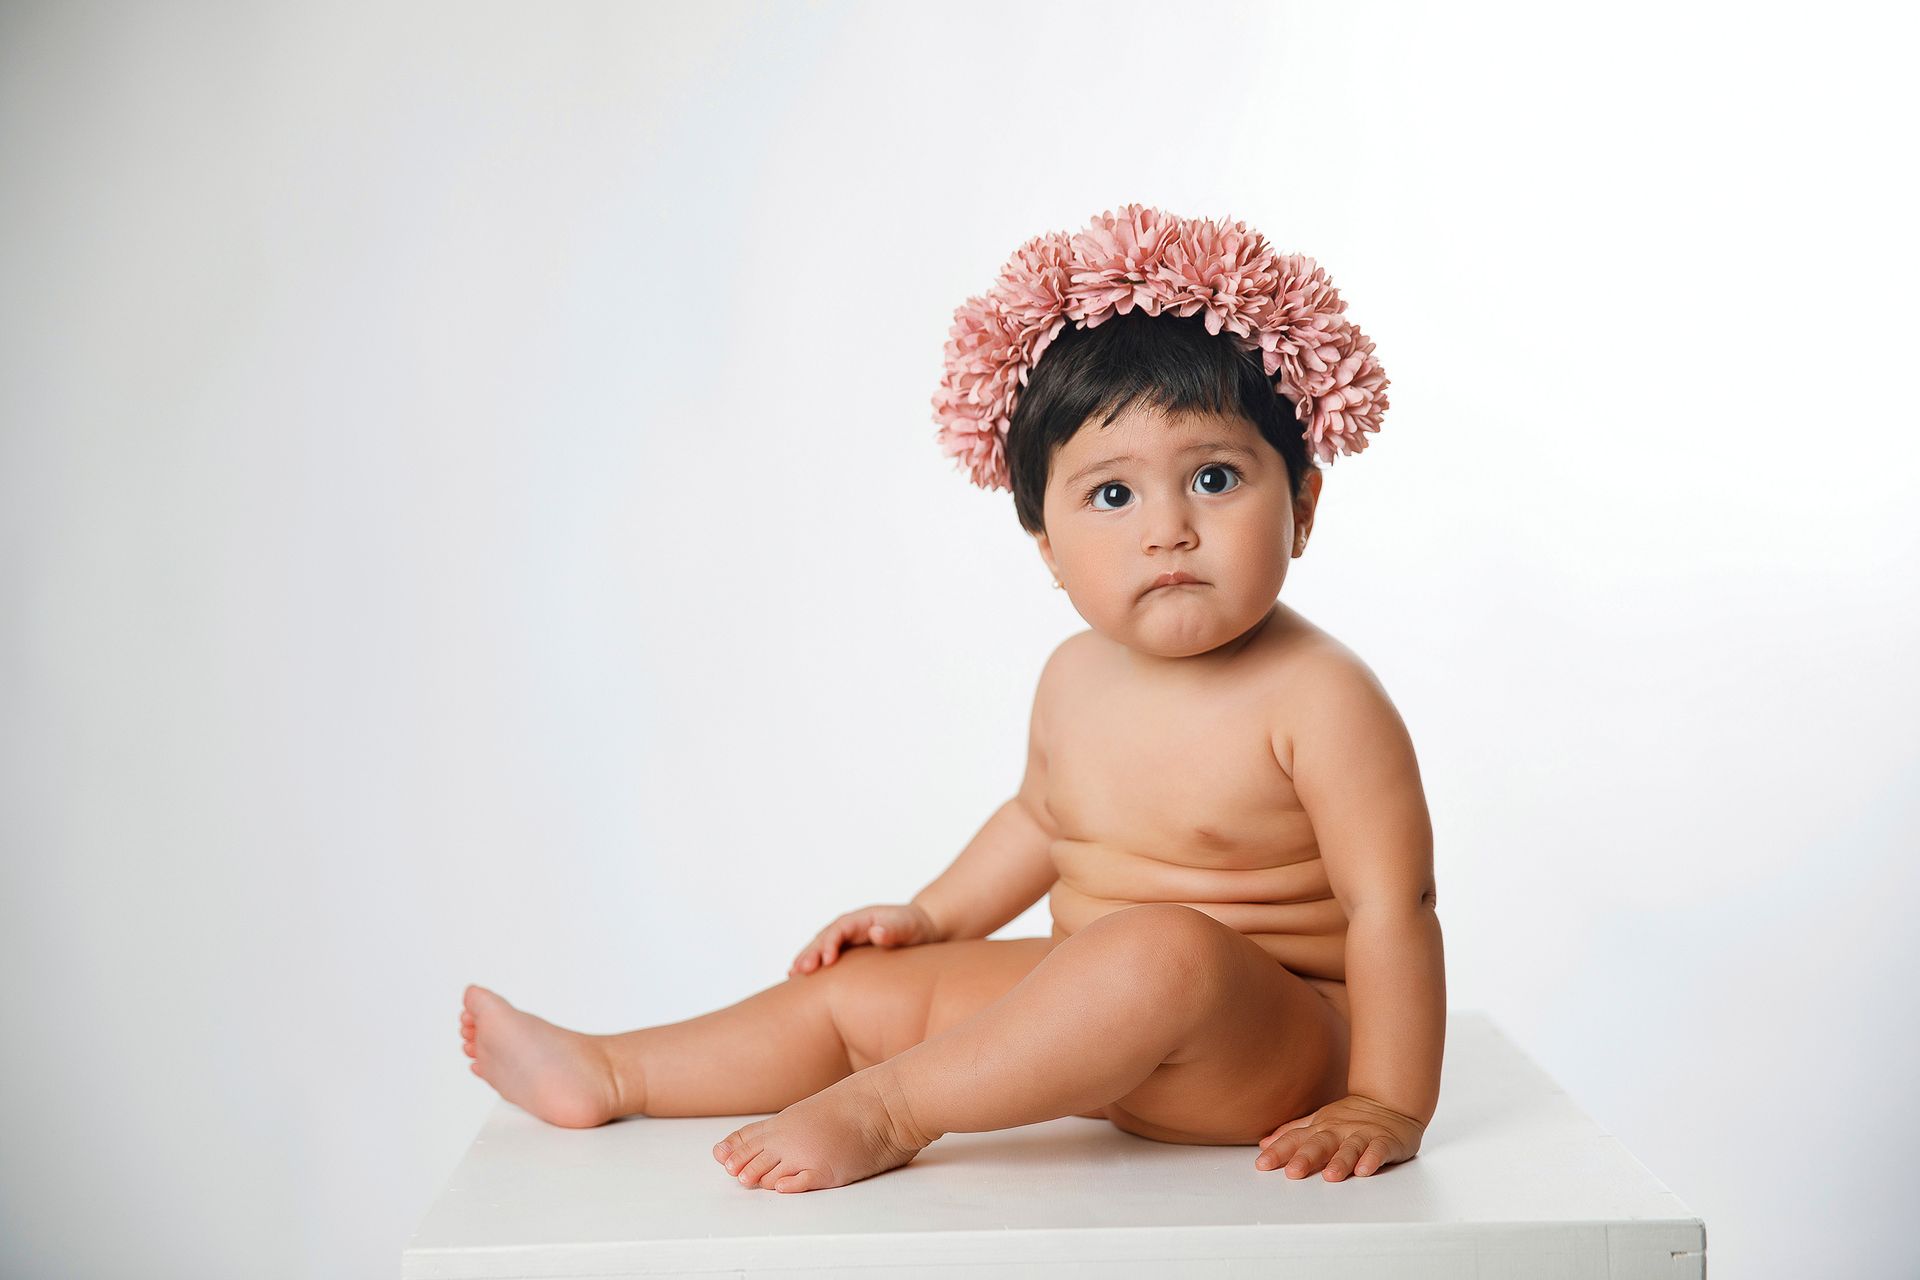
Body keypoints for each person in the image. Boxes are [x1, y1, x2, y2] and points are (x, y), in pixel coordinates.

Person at [459, 205, 1444, 1194]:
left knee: (1161, 947)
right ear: (1048, 548)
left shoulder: (1321, 697)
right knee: (870, 989)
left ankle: (891, 1110)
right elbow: (1040, 820)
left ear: (1302, 506)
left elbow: (1392, 907)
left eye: (1215, 477)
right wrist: (932, 915)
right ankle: (615, 1072)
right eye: (1113, 495)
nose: (1168, 530)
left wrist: (1383, 1099)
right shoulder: (1073, 674)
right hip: (1090, 1025)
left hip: (1266, 1049)